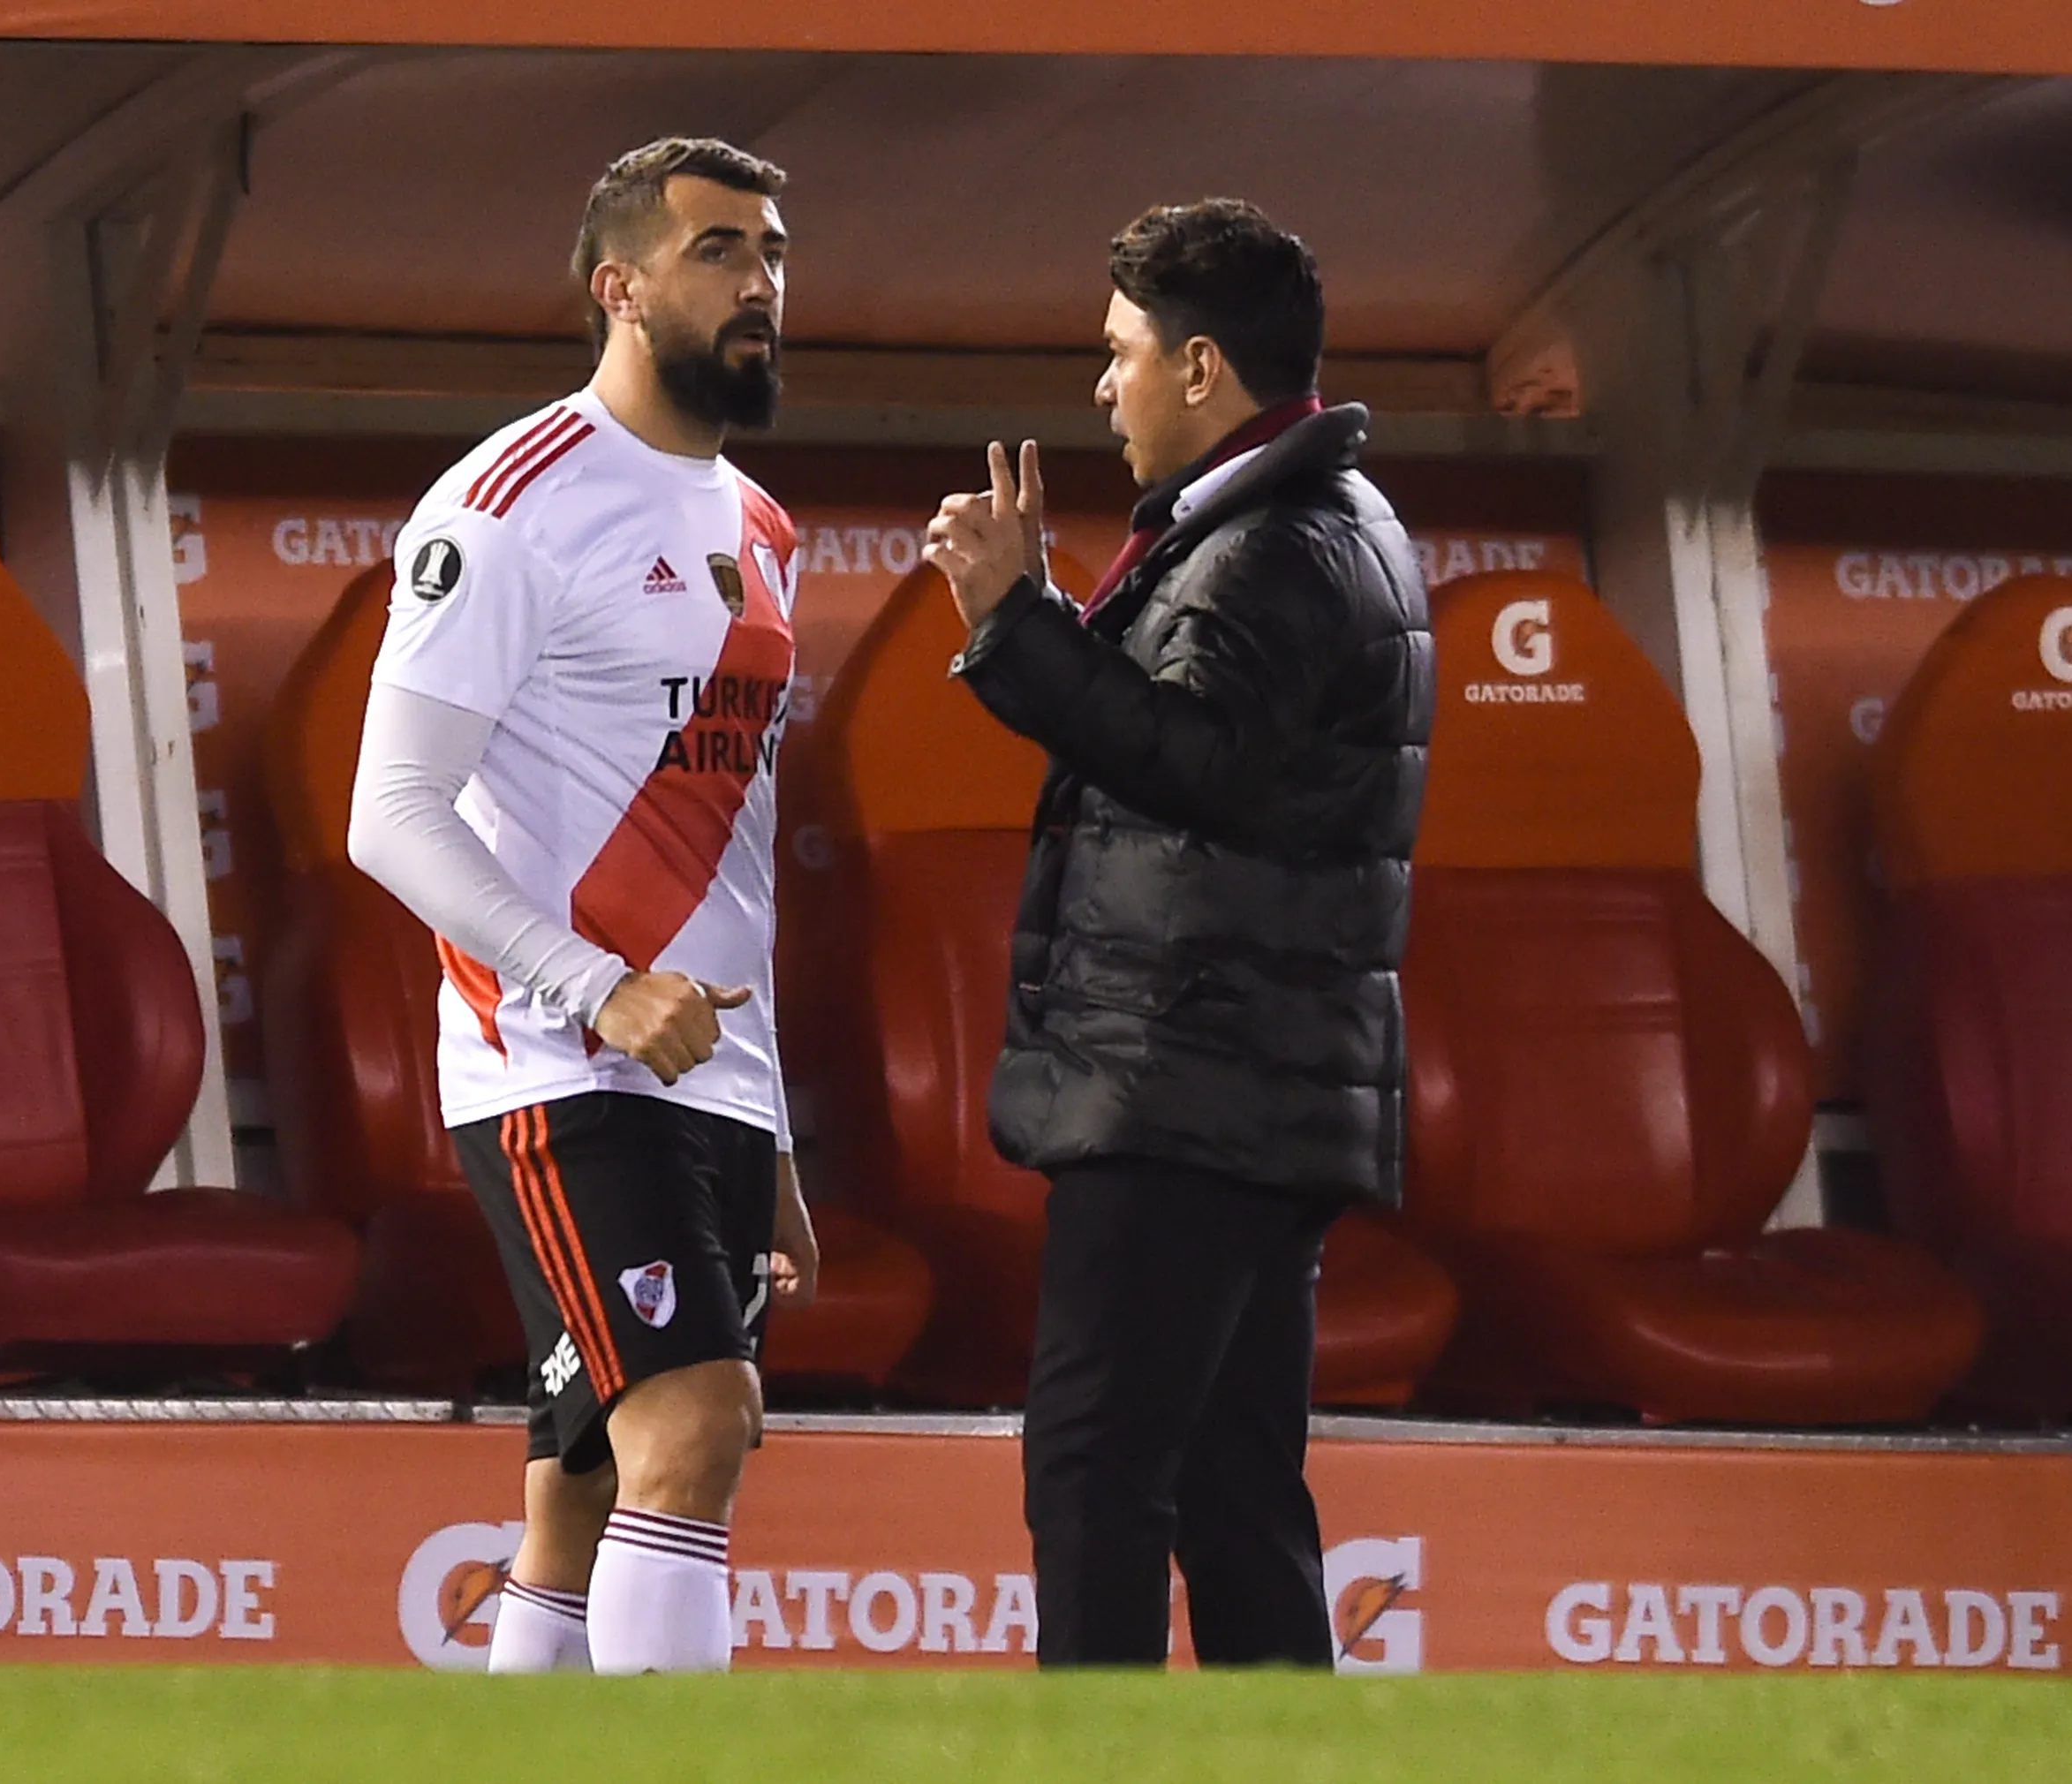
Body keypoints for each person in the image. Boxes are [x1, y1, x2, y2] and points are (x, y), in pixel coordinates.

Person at [921, 199, 1433, 1667]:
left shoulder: (1281, 541)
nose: (1104, 386)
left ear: (1201, 368)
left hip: (1189, 1083)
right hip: (1239, 1082)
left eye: (1121, 353)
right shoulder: (1306, 521)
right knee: (1226, 1485)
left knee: (1097, 1468)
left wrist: (1015, 618)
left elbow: (1192, 761)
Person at [348, 136, 819, 1676]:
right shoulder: (505, 504)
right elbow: (390, 815)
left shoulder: (761, 528)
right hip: (564, 1062)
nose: (759, 285)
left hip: (710, 1075)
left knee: (584, 1486)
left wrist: (778, 1130)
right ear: (617, 286)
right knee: (696, 1426)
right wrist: (591, 985)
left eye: (768, 253)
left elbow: (732, 848)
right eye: (717, 253)